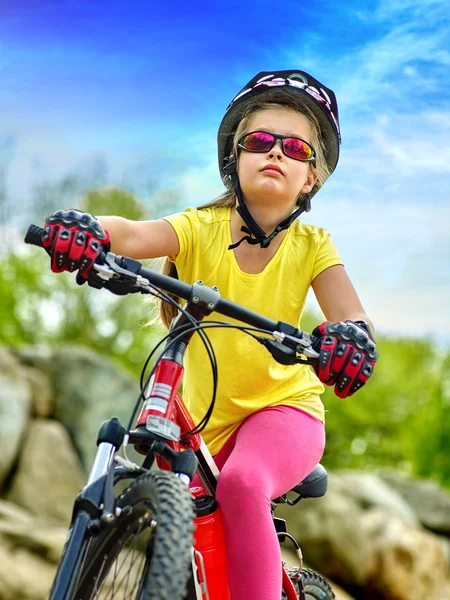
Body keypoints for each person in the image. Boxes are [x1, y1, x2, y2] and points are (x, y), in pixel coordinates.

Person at [41, 69, 378, 600]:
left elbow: (349, 314)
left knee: (243, 484)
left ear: (311, 177)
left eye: (295, 148)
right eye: (260, 141)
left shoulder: (313, 244)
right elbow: (132, 233)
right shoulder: (199, 227)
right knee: (200, 551)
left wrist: (351, 339)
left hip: (284, 411)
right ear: (234, 160)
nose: (276, 154)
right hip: (208, 430)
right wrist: (90, 229)